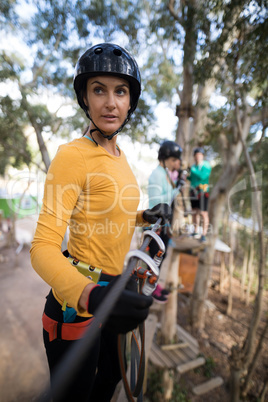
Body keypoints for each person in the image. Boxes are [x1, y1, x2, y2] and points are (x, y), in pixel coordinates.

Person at [30, 43, 172, 402]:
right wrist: (90, 296)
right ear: (85, 99)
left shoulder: (121, 157)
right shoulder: (72, 156)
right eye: (99, 90)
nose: (110, 102)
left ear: (130, 102)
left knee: (109, 376)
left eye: (120, 91)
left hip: (111, 289)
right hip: (78, 298)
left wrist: (145, 217)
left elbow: (107, 210)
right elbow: (42, 248)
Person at [147, 140, 183, 303]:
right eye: (174, 159)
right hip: (156, 223)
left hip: (164, 222)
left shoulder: (165, 173)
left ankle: (154, 284)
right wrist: (176, 190)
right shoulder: (157, 174)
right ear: (166, 158)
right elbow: (156, 202)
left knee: (162, 255)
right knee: (156, 257)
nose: (177, 163)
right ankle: (149, 287)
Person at [188, 146, 212, 242]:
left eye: (199, 155)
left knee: (203, 213)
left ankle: (204, 234)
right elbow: (192, 179)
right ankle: (195, 231)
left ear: (202, 156)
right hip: (193, 191)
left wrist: (192, 171)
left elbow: (202, 176)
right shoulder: (194, 166)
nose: (198, 157)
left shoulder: (206, 165)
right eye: (196, 155)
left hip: (202, 191)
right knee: (194, 212)